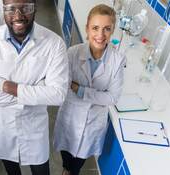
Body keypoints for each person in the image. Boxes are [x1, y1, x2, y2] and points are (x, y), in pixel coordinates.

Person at [0, 0, 69, 174]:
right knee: (11, 170)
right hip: (2, 127)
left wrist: (2, 84)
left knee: (41, 170)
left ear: (35, 8)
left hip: (34, 129)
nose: (18, 15)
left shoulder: (54, 44)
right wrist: (35, 91)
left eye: (26, 8)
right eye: (10, 8)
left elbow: (57, 95)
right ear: (3, 9)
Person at [53, 4, 126, 175]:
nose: (100, 35)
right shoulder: (72, 53)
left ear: (113, 31)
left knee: (79, 161)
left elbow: (113, 98)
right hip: (70, 115)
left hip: (93, 123)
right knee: (67, 153)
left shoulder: (117, 61)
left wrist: (80, 90)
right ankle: (65, 169)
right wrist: (97, 95)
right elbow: (64, 85)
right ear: (87, 29)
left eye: (107, 29)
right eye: (95, 28)